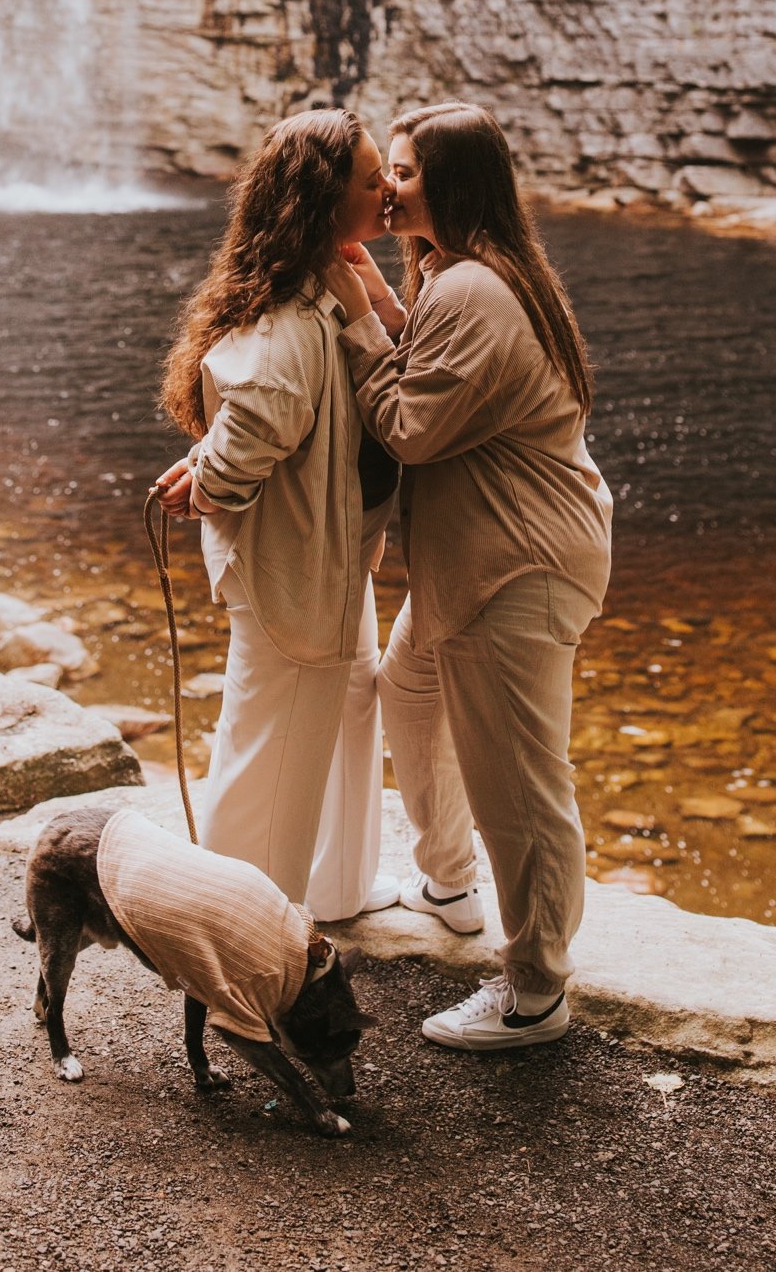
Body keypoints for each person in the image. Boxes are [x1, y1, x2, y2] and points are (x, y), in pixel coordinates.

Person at [324, 100, 613, 1050]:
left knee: (522, 785)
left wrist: (364, 323)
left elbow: (409, 424)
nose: (387, 186)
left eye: (403, 171)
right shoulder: (466, 275)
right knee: (406, 689)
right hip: (481, 562)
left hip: (513, 568)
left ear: (451, 181)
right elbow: (442, 372)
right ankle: (448, 879)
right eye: (387, 169)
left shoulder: (475, 291)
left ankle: (537, 988)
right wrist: (393, 304)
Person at [155, 108, 399, 923]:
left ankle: (331, 890)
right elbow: (258, 417)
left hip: (335, 558)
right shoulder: (289, 318)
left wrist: (209, 466)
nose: (389, 189)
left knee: (346, 710)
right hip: (297, 570)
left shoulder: (325, 281)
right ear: (325, 201)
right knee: (272, 747)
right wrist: (213, 476)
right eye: (372, 180)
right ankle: (237, 928)